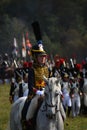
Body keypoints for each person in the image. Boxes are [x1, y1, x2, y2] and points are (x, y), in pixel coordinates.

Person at [21, 21, 49, 128]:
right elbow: (30, 86)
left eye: (44, 56)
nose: (43, 58)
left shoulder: (47, 69)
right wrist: (38, 91)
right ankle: (27, 121)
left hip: (46, 93)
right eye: (41, 56)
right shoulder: (32, 70)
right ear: (35, 58)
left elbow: (49, 82)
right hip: (36, 94)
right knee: (32, 104)